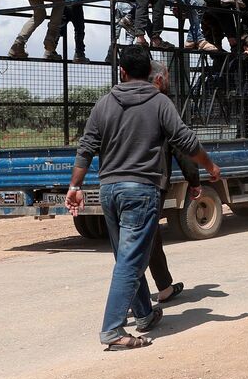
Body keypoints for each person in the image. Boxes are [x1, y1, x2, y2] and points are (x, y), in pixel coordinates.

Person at [66, 46, 220, 350]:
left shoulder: (103, 105)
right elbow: (185, 141)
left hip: (109, 190)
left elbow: (85, 148)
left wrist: (75, 186)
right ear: (149, 72)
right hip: (141, 190)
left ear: (122, 71)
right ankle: (112, 329)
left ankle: (145, 314)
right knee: (131, 261)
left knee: (126, 257)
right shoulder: (160, 102)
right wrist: (210, 166)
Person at [147, 61, 202, 303]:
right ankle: (129, 305)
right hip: (149, 184)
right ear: (158, 79)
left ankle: (164, 287)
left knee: (147, 238)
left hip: (114, 183)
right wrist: (195, 180)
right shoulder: (161, 104)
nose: (169, 82)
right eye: (167, 77)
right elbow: (182, 146)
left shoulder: (114, 101)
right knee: (141, 241)